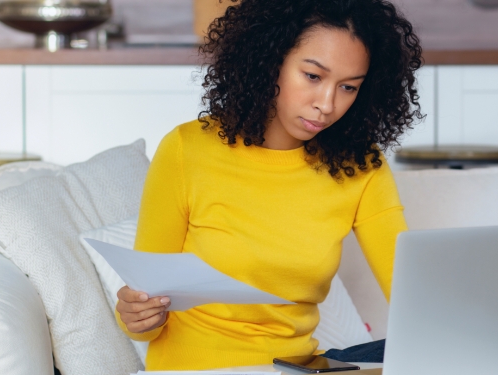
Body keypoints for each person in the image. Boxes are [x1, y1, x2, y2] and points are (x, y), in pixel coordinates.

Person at [112, 0, 423, 371]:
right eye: (312, 76)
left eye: (348, 87)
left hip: (293, 368)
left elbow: (412, 296)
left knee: (406, 350)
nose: (327, 104)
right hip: (197, 368)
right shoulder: (187, 150)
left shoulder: (361, 166)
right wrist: (136, 314)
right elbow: (144, 307)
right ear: (271, 59)